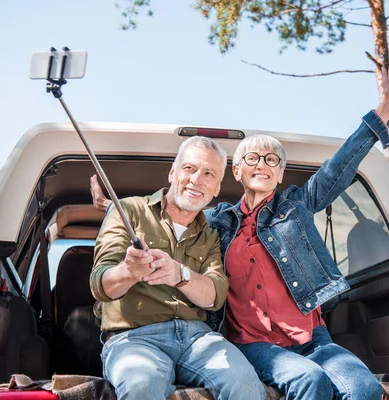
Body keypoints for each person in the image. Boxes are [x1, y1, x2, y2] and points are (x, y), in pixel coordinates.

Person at [92, 64, 389, 400]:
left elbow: (338, 169)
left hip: (311, 338)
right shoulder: (217, 223)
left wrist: (383, 111)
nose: (262, 164)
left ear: (282, 173)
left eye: (272, 160)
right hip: (254, 342)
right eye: (253, 157)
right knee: (310, 381)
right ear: (237, 172)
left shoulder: (296, 207)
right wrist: (115, 207)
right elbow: (179, 209)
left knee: (364, 388)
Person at [90, 136, 265, 400]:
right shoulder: (128, 211)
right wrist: (129, 272)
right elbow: (100, 283)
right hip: (134, 338)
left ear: (217, 188)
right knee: (141, 385)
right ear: (173, 172)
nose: (197, 180)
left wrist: (179, 274)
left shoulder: (211, 235)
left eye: (209, 174)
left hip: (198, 338)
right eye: (189, 168)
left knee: (247, 386)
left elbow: (215, 295)